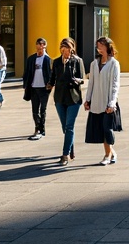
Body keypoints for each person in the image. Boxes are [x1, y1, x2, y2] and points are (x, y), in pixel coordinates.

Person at [84, 36, 121, 165]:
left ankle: (107, 155)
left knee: (107, 129)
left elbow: (115, 85)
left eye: (100, 45)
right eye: (97, 45)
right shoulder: (94, 64)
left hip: (108, 102)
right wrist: (87, 100)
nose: (98, 48)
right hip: (96, 101)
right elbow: (91, 83)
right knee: (101, 129)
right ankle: (112, 153)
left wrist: (112, 102)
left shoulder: (114, 64)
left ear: (107, 46)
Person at [48, 38, 85, 167]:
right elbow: (52, 78)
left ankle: (65, 154)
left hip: (73, 98)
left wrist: (76, 80)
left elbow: (82, 78)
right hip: (59, 98)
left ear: (71, 48)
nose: (64, 50)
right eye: (62, 47)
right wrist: (49, 85)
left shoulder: (77, 61)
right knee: (65, 127)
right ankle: (71, 150)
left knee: (69, 126)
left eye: (67, 47)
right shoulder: (56, 62)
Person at [22, 37, 52, 139]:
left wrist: (50, 85)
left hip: (44, 88)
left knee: (43, 110)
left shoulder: (48, 60)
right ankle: (37, 127)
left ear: (45, 47)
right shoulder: (31, 59)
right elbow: (26, 73)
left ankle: (42, 130)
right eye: (38, 48)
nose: (40, 50)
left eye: (42, 48)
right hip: (33, 88)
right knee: (35, 110)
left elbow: (51, 74)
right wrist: (25, 85)